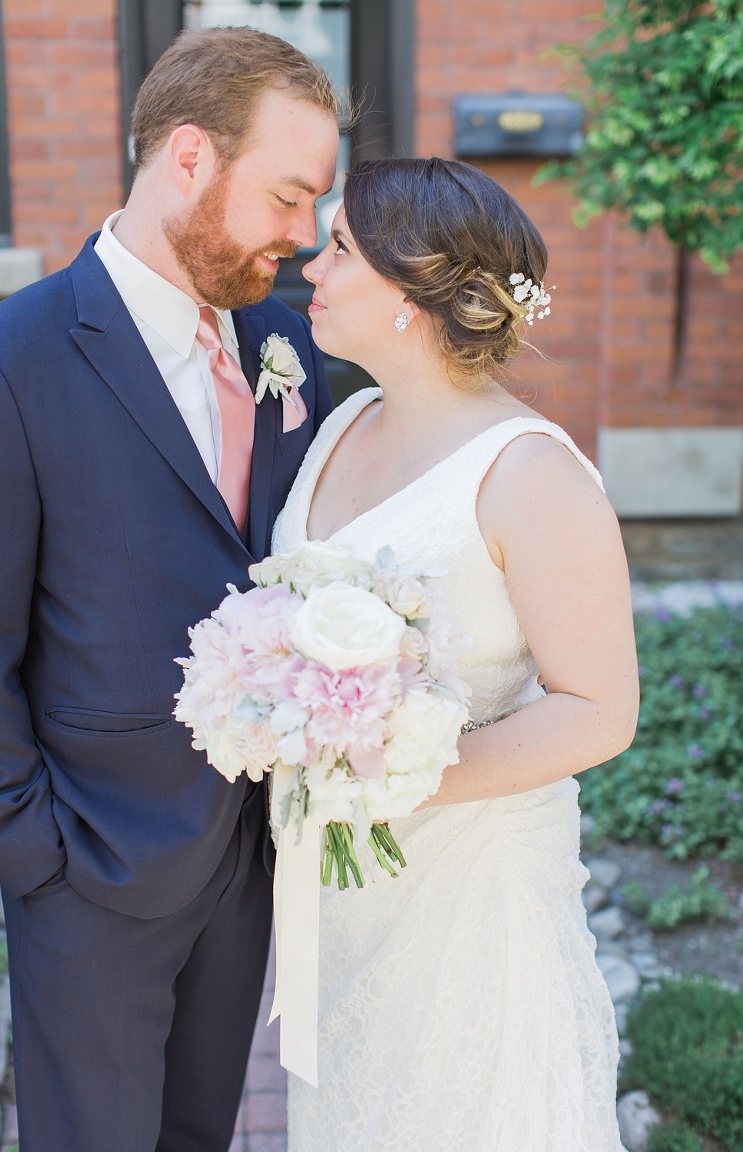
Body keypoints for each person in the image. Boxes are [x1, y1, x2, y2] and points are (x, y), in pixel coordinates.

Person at [0, 25, 339, 1152]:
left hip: (245, 856)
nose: (304, 235)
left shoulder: (288, 343)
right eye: (286, 196)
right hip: (89, 869)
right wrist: (36, 859)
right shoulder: (11, 364)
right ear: (188, 159)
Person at [272, 157, 639, 1150]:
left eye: (339, 247)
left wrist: (393, 779)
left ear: (413, 292)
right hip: (343, 900)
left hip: (474, 899)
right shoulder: (344, 422)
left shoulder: (531, 473)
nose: (311, 263)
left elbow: (601, 709)